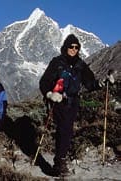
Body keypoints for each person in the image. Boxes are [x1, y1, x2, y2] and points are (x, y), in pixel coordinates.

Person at [39, 34, 114, 176]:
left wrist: (102, 83)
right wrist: (50, 94)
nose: (74, 49)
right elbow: (44, 82)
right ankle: (59, 163)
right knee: (64, 129)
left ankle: (60, 160)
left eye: (76, 47)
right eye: (71, 46)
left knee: (66, 131)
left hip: (73, 103)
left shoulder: (81, 65)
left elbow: (90, 82)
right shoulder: (57, 62)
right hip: (59, 101)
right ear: (65, 47)